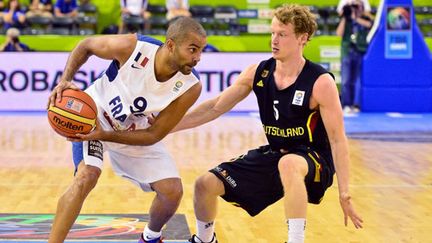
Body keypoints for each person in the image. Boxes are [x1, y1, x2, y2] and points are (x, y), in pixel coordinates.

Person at [173, 4, 363, 243]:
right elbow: (215, 106)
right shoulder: (259, 72)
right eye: (273, 33)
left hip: (315, 160)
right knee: (205, 185)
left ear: (302, 38)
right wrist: (168, 125)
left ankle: (295, 240)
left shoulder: (319, 82)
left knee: (289, 163)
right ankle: (204, 240)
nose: (274, 40)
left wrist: (344, 193)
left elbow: (337, 139)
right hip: (276, 154)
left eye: (282, 34)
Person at [46, 16, 207, 243]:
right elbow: (87, 45)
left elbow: (154, 134)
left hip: (133, 132)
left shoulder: (191, 86)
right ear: (171, 45)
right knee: (86, 176)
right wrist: (65, 80)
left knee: (172, 191)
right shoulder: (134, 47)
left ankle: (150, 237)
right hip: (95, 118)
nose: (198, 58)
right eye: (193, 49)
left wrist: (106, 136)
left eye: (201, 50)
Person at [336, 0, 373, 114]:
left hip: (360, 51)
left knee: (357, 80)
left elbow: (370, 25)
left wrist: (356, 17)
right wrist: (345, 16)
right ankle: (346, 104)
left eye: (357, 6)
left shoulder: (365, 19)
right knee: (346, 79)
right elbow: (339, 33)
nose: (355, 8)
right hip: (347, 50)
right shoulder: (346, 20)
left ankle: (356, 104)